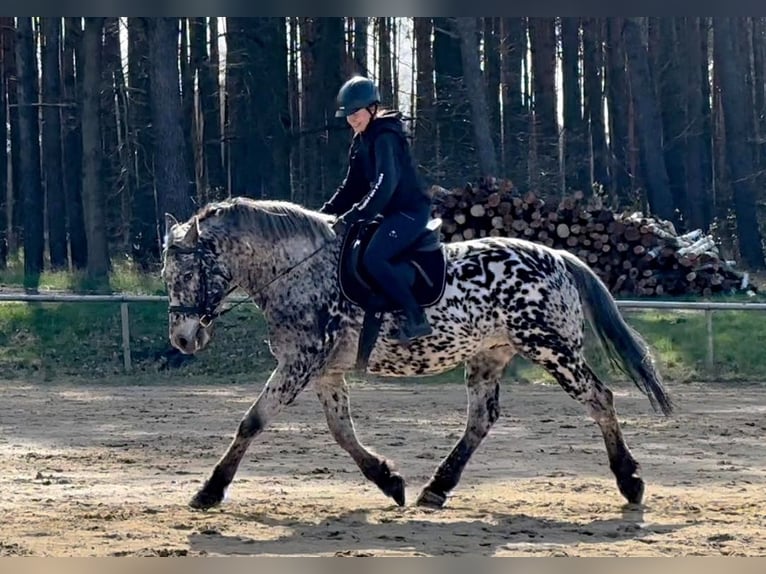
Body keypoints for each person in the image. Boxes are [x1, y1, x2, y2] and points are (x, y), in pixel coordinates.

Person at [319, 75, 433, 343]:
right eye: (347, 115)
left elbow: (385, 185)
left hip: (410, 212)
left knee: (374, 257)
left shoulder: (385, 136)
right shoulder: (361, 141)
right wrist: (323, 214)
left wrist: (355, 215)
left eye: (356, 113)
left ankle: (416, 318)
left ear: (372, 108)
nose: (352, 120)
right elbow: (351, 187)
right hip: (388, 213)